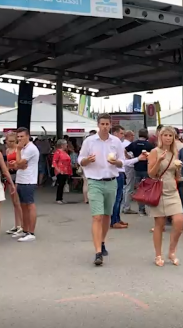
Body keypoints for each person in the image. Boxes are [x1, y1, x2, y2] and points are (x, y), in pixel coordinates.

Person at [78, 114, 125, 266]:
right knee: (97, 217)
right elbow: (80, 160)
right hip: (94, 181)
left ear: (110, 125)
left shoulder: (116, 141)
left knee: (107, 216)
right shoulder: (89, 141)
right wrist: (86, 160)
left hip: (111, 181)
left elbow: (122, 162)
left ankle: (102, 241)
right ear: (98, 125)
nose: (105, 126)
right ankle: (98, 252)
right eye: (102, 124)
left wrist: (116, 162)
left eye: (107, 124)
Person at [147, 126, 183, 267]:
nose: (168, 138)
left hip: (172, 190)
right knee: (159, 224)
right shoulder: (154, 152)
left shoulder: (175, 152)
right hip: (159, 191)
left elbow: (177, 176)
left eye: (171, 135)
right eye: (166, 135)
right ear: (160, 137)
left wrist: (179, 170)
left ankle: (172, 251)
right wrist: (158, 160)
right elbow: (151, 173)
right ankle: (158, 255)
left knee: (179, 221)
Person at [14, 127, 40, 242]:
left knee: (30, 205)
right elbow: (16, 164)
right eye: (18, 137)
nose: (19, 139)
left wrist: (18, 152)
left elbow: (19, 162)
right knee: (23, 206)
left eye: (22, 136)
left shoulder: (30, 149)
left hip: (28, 180)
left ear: (28, 136)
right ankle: (25, 230)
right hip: (21, 179)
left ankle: (31, 232)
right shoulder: (23, 148)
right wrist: (18, 163)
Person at [125, 128, 154, 216]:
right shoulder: (149, 145)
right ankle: (147, 208)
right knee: (147, 189)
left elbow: (125, 150)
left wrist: (129, 158)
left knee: (139, 189)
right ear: (147, 135)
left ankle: (141, 209)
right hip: (146, 169)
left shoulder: (134, 144)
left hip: (136, 168)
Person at [3, 133, 24, 235]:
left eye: (13, 141)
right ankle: (17, 225)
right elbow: (7, 164)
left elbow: (21, 164)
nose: (11, 143)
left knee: (18, 201)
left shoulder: (18, 150)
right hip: (10, 176)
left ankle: (22, 225)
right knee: (14, 202)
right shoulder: (7, 150)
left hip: (17, 175)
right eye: (9, 141)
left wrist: (14, 166)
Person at [109, 125, 129, 229]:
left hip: (121, 172)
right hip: (117, 172)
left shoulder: (119, 144)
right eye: (121, 133)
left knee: (119, 198)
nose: (122, 135)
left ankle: (117, 218)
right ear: (115, 133)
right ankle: (114, 220)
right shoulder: (113, 144)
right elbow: (122, 161)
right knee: (117, 198)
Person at [52, 139, 72, 204]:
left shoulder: (65, 152)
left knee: (63, 184)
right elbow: (54, 162)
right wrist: (58, 170)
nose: (67, 145)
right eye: (65, 144)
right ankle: (58, 198)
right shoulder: (58, 152)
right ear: (62, 145)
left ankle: (61, 198)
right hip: (60, 170)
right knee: (60, 185)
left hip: (66, 170)